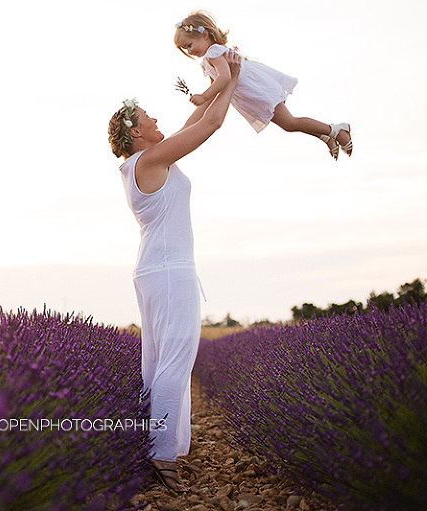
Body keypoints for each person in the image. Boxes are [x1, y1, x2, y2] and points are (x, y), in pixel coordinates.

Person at [107, 50, 241, 492]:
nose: (155, 118)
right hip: (168, 270)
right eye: (147, 116)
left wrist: (218, 80)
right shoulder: (148, 162)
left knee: (159, 364)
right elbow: (209, 126)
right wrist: (233, 79)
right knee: (176, 361)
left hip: (156, 269)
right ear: (134, 131)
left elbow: (196, 120)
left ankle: (157, 449)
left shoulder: (147, 161)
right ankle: (161, 457)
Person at [174, 10, 352, 160]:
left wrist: (204, 95)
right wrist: (205, 104)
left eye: (189, 45)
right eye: (185, 49)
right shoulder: (210, 58)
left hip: (258, 91)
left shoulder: (213, 52)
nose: (190, 51)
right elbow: (217, 86)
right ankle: (325, 136)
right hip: (253, 95)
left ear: (204, 34)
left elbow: (225, 78)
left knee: (289, 123)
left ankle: (336, 129)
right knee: (288, 124)